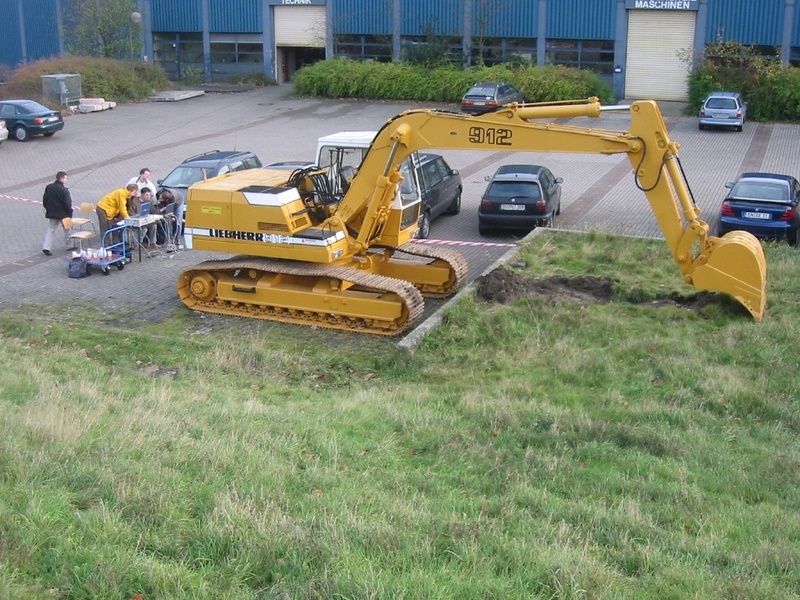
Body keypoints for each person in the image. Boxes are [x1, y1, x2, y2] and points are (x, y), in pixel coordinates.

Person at [42, 171, 74, 256]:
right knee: (67, 229)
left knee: (51, 229)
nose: (67, 180)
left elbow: (45, 200)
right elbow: (68, 204)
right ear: (62, 178)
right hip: (63, 214)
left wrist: (47, 208)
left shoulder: (49, 187)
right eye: (66, 178)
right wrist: (70, 214)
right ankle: (68, 245)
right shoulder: (64, 190)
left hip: (52, 213)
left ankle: (46, 247)